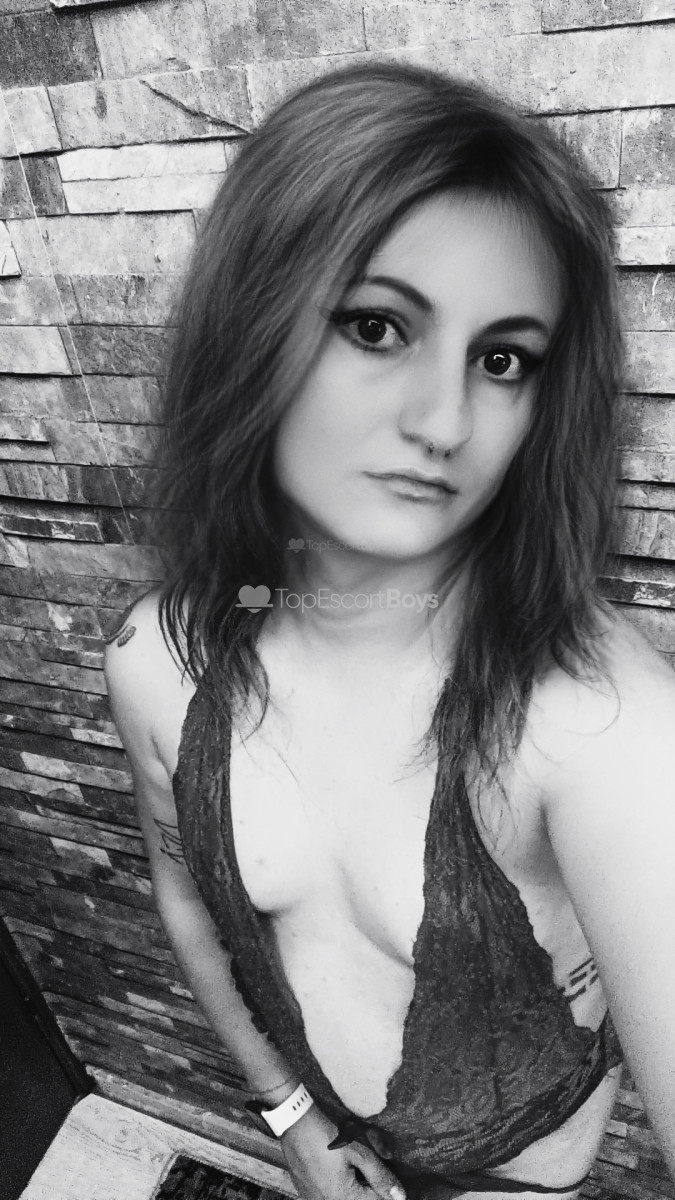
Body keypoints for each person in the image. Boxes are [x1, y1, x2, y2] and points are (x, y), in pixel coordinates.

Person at [104, 62, 675, 1200]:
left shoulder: (599, 724)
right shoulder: (158, 657)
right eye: (377, 327)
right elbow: (189, 899)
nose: (445, 421)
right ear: (252, 323)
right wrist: (288, 1112)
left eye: (502, 359)